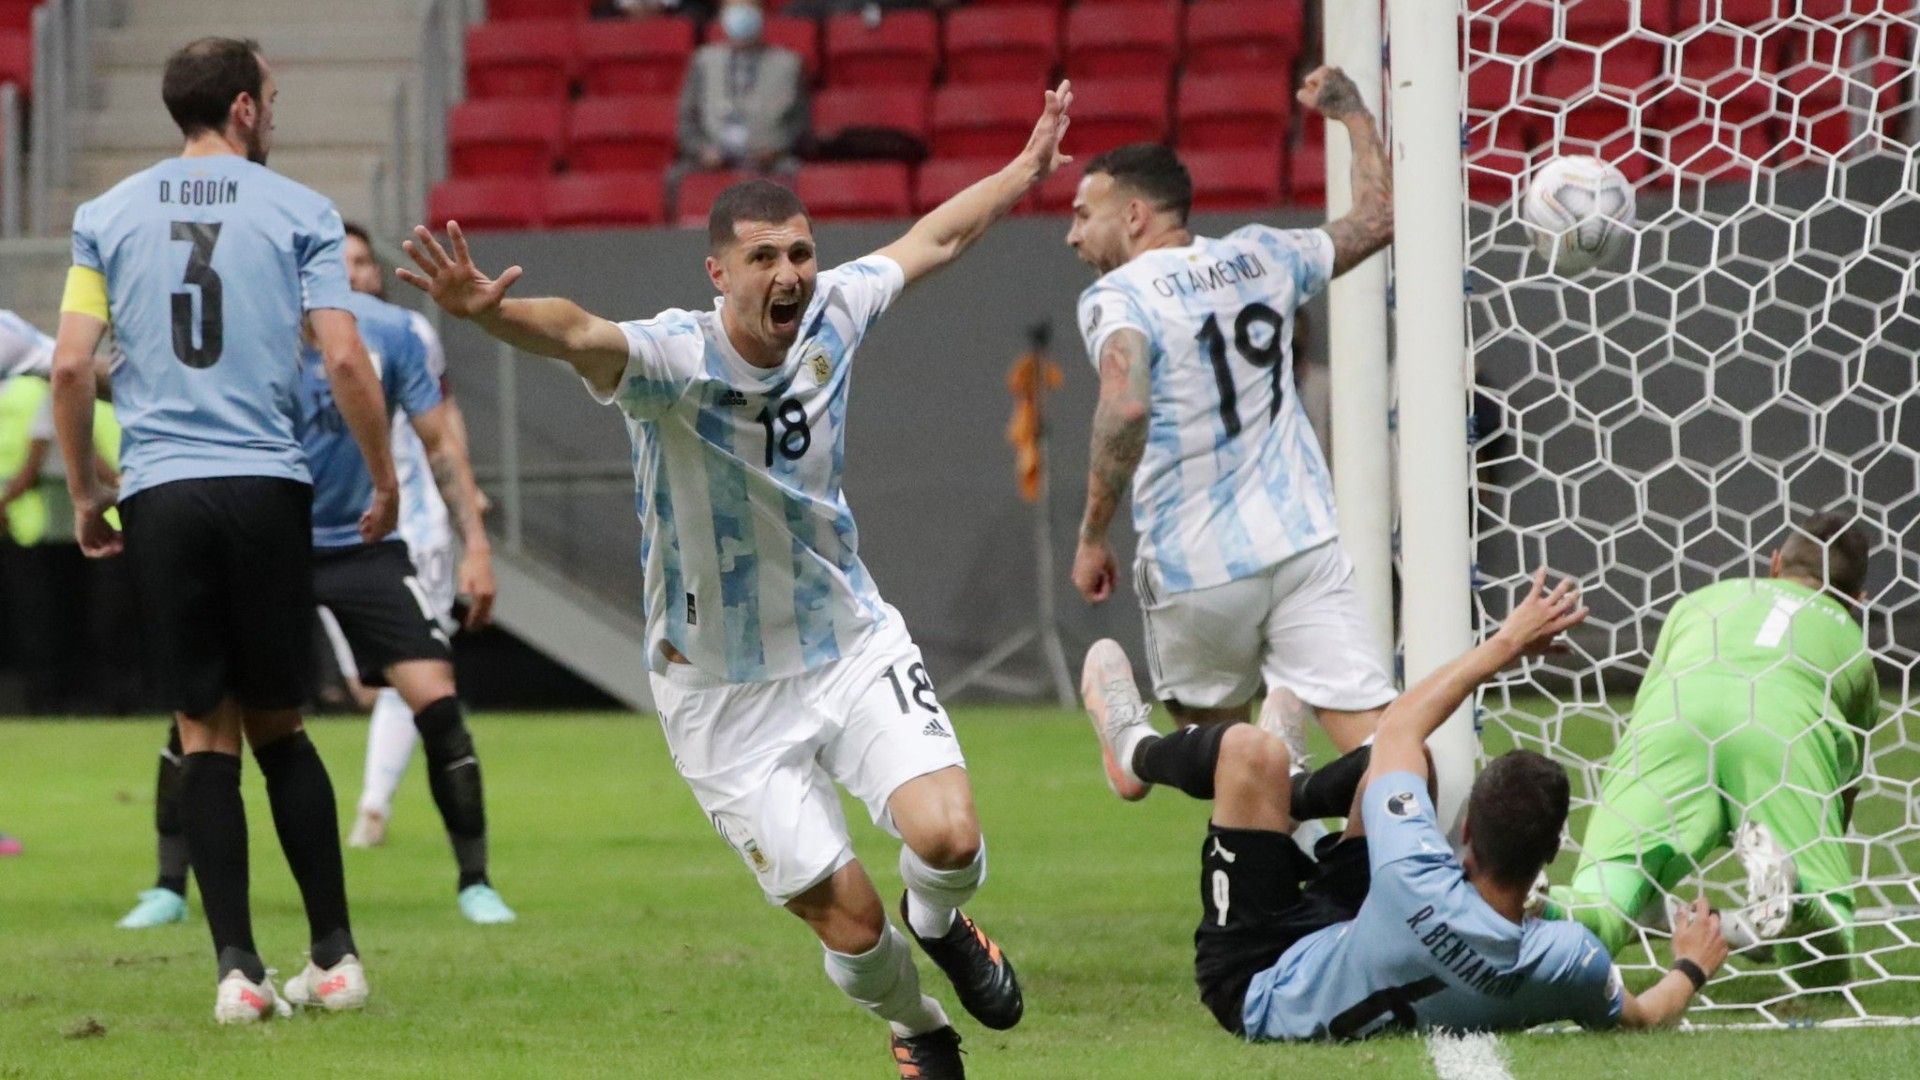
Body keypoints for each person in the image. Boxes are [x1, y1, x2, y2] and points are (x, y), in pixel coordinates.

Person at [399, 81, 1075, 1080]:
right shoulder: (675, 359)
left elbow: (935, 241)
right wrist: (490, 317)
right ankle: (919, 1026)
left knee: (950, 836)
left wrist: (1021, 173)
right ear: (719, 272)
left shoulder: (836, 311)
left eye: (798, 252)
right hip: (720, 692)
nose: (789, 272)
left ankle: (941, 920)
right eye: (763, 258)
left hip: (845, 640)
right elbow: (579, 331)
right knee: (846, 921)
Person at [51, 37, 397, 1023]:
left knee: (204, 732)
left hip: (161, 491)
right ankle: (333, 957)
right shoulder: (301, 213)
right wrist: (381, 480)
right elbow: (343, 361)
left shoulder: (104, 217)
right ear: (245, 110)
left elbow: (72, 368)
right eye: (274, 100)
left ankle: (238, 974)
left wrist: (87, 493)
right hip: (266, 486)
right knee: (281, 725)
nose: (275, 116)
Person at [1081, 569, 1732, 1040]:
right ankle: (1295, 802)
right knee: (1403, 767)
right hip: (1358, 929)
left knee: (1258, 754)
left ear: (1467, 830)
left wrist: (1505, 645)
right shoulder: (1568, 956)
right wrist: (1692, 965)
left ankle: (1133, 751)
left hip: (1256, 979)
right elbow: (1646, 1013)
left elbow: (1400, 727)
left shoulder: (1413, 872)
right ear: (1552, 852)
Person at [1065, 67, 1396, 768]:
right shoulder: (1263, 254)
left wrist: (1093, 533)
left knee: (1221, 761)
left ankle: (1133, 752)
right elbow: (1378, 221)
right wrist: (1356, 118)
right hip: (1301, 541)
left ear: (1132, 217)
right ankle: (1308, 800)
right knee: (1381, 751)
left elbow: (1125, 404)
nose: (1071, 236)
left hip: (1197, 565)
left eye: (1081, 215)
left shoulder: (1118, 294)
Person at [1543, 511, 1877, 982]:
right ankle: (1799, 904)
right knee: (1827, 959)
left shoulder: (1697, 602)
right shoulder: (1852, 644)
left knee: (1605, 892)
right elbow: (1841, 796)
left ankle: (1545, 904)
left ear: (1774, 562)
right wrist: (1812, 854)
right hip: (1781, 733)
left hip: (1674, 721)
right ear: (1857, 602)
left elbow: (1647, 709)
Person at [331, 222, 498, 853]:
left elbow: (442, 419)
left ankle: (373, 809)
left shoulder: (410, 335)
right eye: (343, 261)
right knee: (368, 686)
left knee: (418, 675)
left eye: (364, 261)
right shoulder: (300, 333)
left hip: (415, 525)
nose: (355, 272)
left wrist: (467, 498)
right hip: (331, 529)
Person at [674, 1, 807, 181]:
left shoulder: (789, 64)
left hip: (769, 159)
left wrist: (777, 149)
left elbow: (800, 121)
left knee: (799, 175)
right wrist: (701, 150)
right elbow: (687, 118)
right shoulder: (703, 61)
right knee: (675, 178)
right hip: (713, 156)